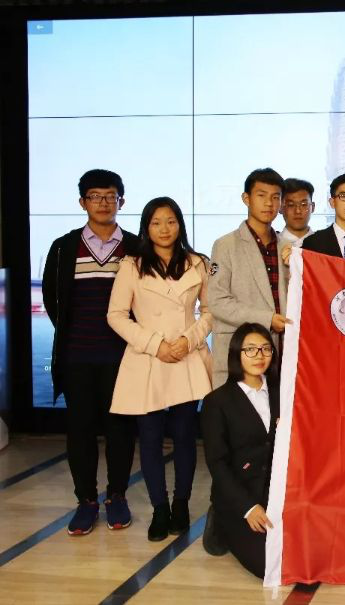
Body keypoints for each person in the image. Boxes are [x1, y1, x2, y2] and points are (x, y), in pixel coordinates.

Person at [107, 197, 213, 541]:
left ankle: (181, 505)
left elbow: (211, 310)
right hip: (148, 358)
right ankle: (159, 508)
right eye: (156, 222)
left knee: (184, 437)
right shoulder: (132, 265)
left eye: (170, 221)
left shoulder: (198, 263)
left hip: (186, 357)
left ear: (179, 224)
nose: (164, 229)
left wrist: (188, 339)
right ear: (146, 227)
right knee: (150, 439)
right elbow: (116, 315)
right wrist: (156, 345)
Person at [41, 168, 138, 535]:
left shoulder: (134, 246)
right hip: (77, 356)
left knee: (120, 430)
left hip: (122, 358)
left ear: (121, 201)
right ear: (82, 202)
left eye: (110, 196)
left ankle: (117, 497)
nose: (103, 203)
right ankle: (86, 501)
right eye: (95, 196)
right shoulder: (64, 247)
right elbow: (52, 298)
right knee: (79, 431)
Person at [201, 323, 279, 579]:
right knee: (269, 564)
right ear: (237, 353)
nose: (259, 356)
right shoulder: (217, 402)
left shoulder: (282, 393)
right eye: (251, 349)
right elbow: (217, 463)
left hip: (277, 494)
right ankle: (220, 522)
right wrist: (248, 507)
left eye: (266, 349)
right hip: (241, 498)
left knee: (306, 551)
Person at [208, 167, 289, 389]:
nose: (269, 203)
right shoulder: (225, 245)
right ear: (246, 198)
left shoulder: (287, 248)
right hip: (239, 352)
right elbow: (217, 301)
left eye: (275, 197)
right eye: (261, 195)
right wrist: (267, 319)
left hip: (280, 354)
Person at [278, 178, 315, 249]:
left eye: (303, 204)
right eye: (291, 205)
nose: (298, 211)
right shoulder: (272, 245)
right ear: (280, 208)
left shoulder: (325, 244)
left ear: (312, 207)